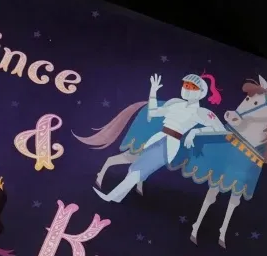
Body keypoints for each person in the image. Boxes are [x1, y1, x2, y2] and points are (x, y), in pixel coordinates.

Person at [93, 72, 226, 203]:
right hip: (158, 138)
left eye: (192, 87)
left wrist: (195, 132)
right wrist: (153, 91)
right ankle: (118, 197)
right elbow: (153, 112)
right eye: (186, 85)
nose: (187, 89)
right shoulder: (175, 103)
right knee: (135, 167)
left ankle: (111, 197)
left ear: (201, 92)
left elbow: (220, 129)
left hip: (170, 143)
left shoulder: (200, 112)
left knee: (138, 171)